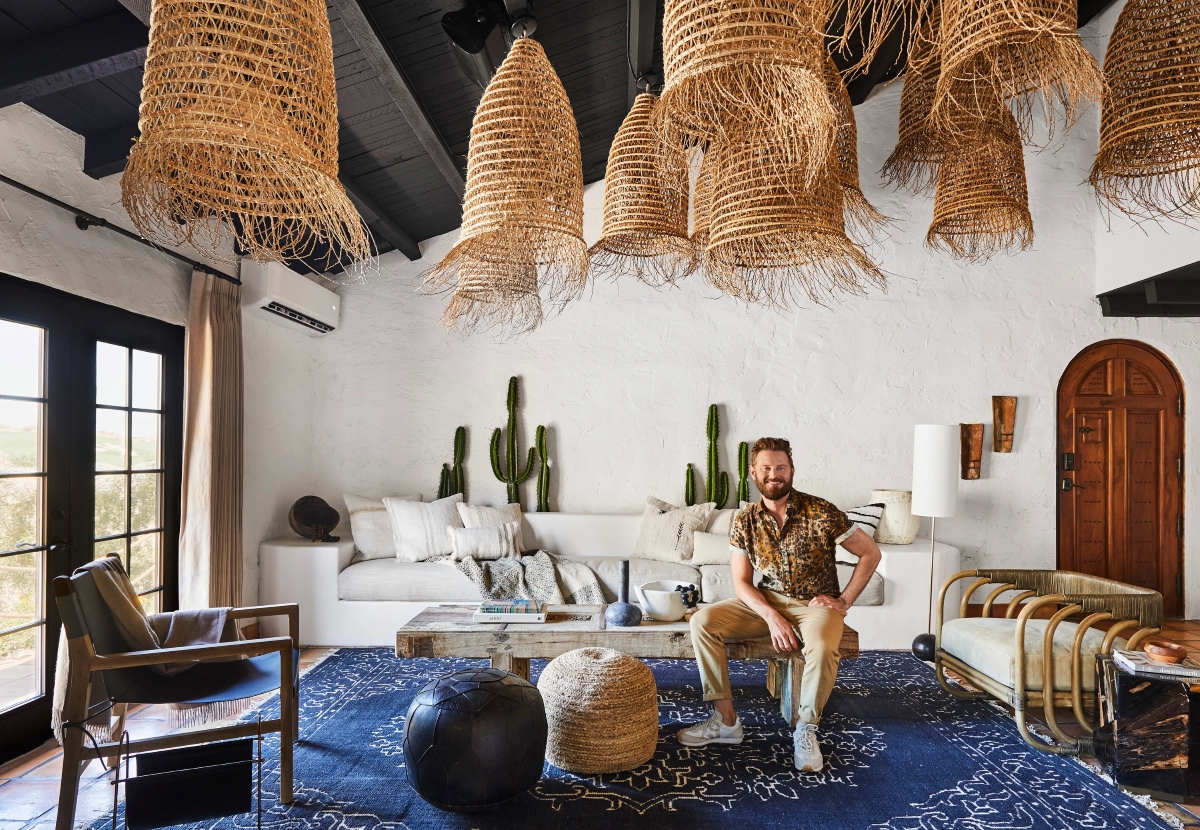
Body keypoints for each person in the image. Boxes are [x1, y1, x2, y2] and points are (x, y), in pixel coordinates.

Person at [676, 437, 882, 773]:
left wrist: (844, 600)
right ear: (754, 474)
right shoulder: (744, 520)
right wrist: (771, 616)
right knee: (703, 621)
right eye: (767, 468)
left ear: (791, 471)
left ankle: (806, 728)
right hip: (767, 602)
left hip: (816, 606)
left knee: (822, 643)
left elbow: (870, 552)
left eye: (781, 468)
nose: (774, 474)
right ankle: (726, 721)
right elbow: (742, 583)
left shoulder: (821, 510)